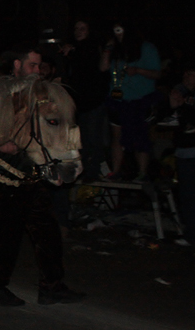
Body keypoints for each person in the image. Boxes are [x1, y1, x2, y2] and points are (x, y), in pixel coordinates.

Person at [0, 46, 85, 306]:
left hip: (30, 171)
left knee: (47, 230)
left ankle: (51, 285)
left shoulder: (37, 93)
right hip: (4, 169)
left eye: (39, 66)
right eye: (33, 66)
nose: (38, 71)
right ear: (17, 65)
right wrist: (3, 142)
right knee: (6, 233)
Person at [101, 21, 161, 182]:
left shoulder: (147, 48)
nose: (118, 34)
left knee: (140, 135)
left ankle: (142, 173)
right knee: (117, 137)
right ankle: (116, 171)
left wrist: (139, 70)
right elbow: (103, 68)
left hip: (140, 100)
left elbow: (158, 74)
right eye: (115, 31)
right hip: (118, 100)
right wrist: (107, 48)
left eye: (120, 30)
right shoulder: (115, 50)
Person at [60, 18, 110, 183]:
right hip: (79, 103)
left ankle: (94, 171)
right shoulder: (72, 50)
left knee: (94, 137)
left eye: (83, 28)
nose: (79, 31)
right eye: (76, 28)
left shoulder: (92, 47)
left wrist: (72, 51)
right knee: (82, 139)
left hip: (94, 101)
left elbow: (93, 67)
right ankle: (87, 169)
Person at [163, 65, 195, 246]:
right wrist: (173, 105)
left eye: (190, 72)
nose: (186, 76)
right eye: (185, 72)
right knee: (187, 196)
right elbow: (166, 119)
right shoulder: (179, 92)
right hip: (183, 152)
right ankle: (190, 235)